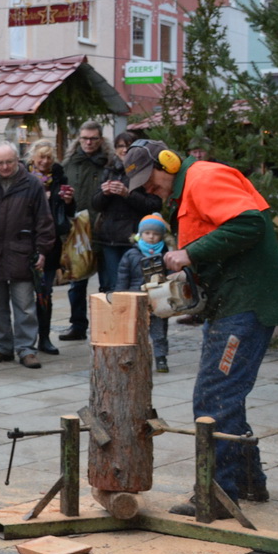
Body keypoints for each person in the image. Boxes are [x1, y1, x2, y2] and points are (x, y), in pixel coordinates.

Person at [128, 141, 278, 513]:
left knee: (214, 397)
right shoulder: (187, 190)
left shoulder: (204, 177)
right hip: (230, 302)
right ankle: (249, 483)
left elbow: (249, 223)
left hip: (246, 302)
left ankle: (218, 494)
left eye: (150, 180)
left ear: (167, 163)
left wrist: (190, 254)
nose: (148, 189)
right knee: (226, 394)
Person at [0, 142, 58, 369]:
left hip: (23, 253)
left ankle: (26, 349)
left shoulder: (31, 184)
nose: (4, 167)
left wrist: (42, 250)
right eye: (0, 163)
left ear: (17, 160)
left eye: (9, 162)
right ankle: (3, 347)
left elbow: (44, 220)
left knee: (24, 305)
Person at [91, 131, 161, 296]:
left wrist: (127, 194)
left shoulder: (146, 171)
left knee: (139, 286)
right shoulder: (109, 171)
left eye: (128, 146)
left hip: (136, 240)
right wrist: (104, 193)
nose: (124, 150)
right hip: (111, 239)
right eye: (120, 146)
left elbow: (153, 205)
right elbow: (95, 204)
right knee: (115, 287)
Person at [59, 120, 110, 342]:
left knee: (107, 283)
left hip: (104, 230)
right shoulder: (69, 163)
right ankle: (77, 325)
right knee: (76, 282)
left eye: (93, 139)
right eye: (84, 138)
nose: (88, 142)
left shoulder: (109, 163)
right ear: (78, 139)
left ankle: (106, 326)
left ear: (100, 140)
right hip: (76, 232)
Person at [26, 139, 74, 357]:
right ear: (33, 158)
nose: (44, 162)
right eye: (41, 157)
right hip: (25, 242)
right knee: (23, 294)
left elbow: (70, 211)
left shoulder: (59, 178)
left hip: (49, 243)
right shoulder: (23, 177)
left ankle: (44, 338)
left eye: (48, 158)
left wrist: (68, 200)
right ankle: (26, 339)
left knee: (45, 292)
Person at [116, 212, 172, 373]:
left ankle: (161, 358)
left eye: (155, 234)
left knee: (159, 331)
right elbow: (123, 276)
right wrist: (121, 295)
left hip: (158, 300)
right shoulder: (131, 254)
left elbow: (169, 275)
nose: (151, 237)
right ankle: (135, 358)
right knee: (136, 331)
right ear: (141, 234)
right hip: (136, 298)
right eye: (148, 233)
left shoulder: (165, 255)